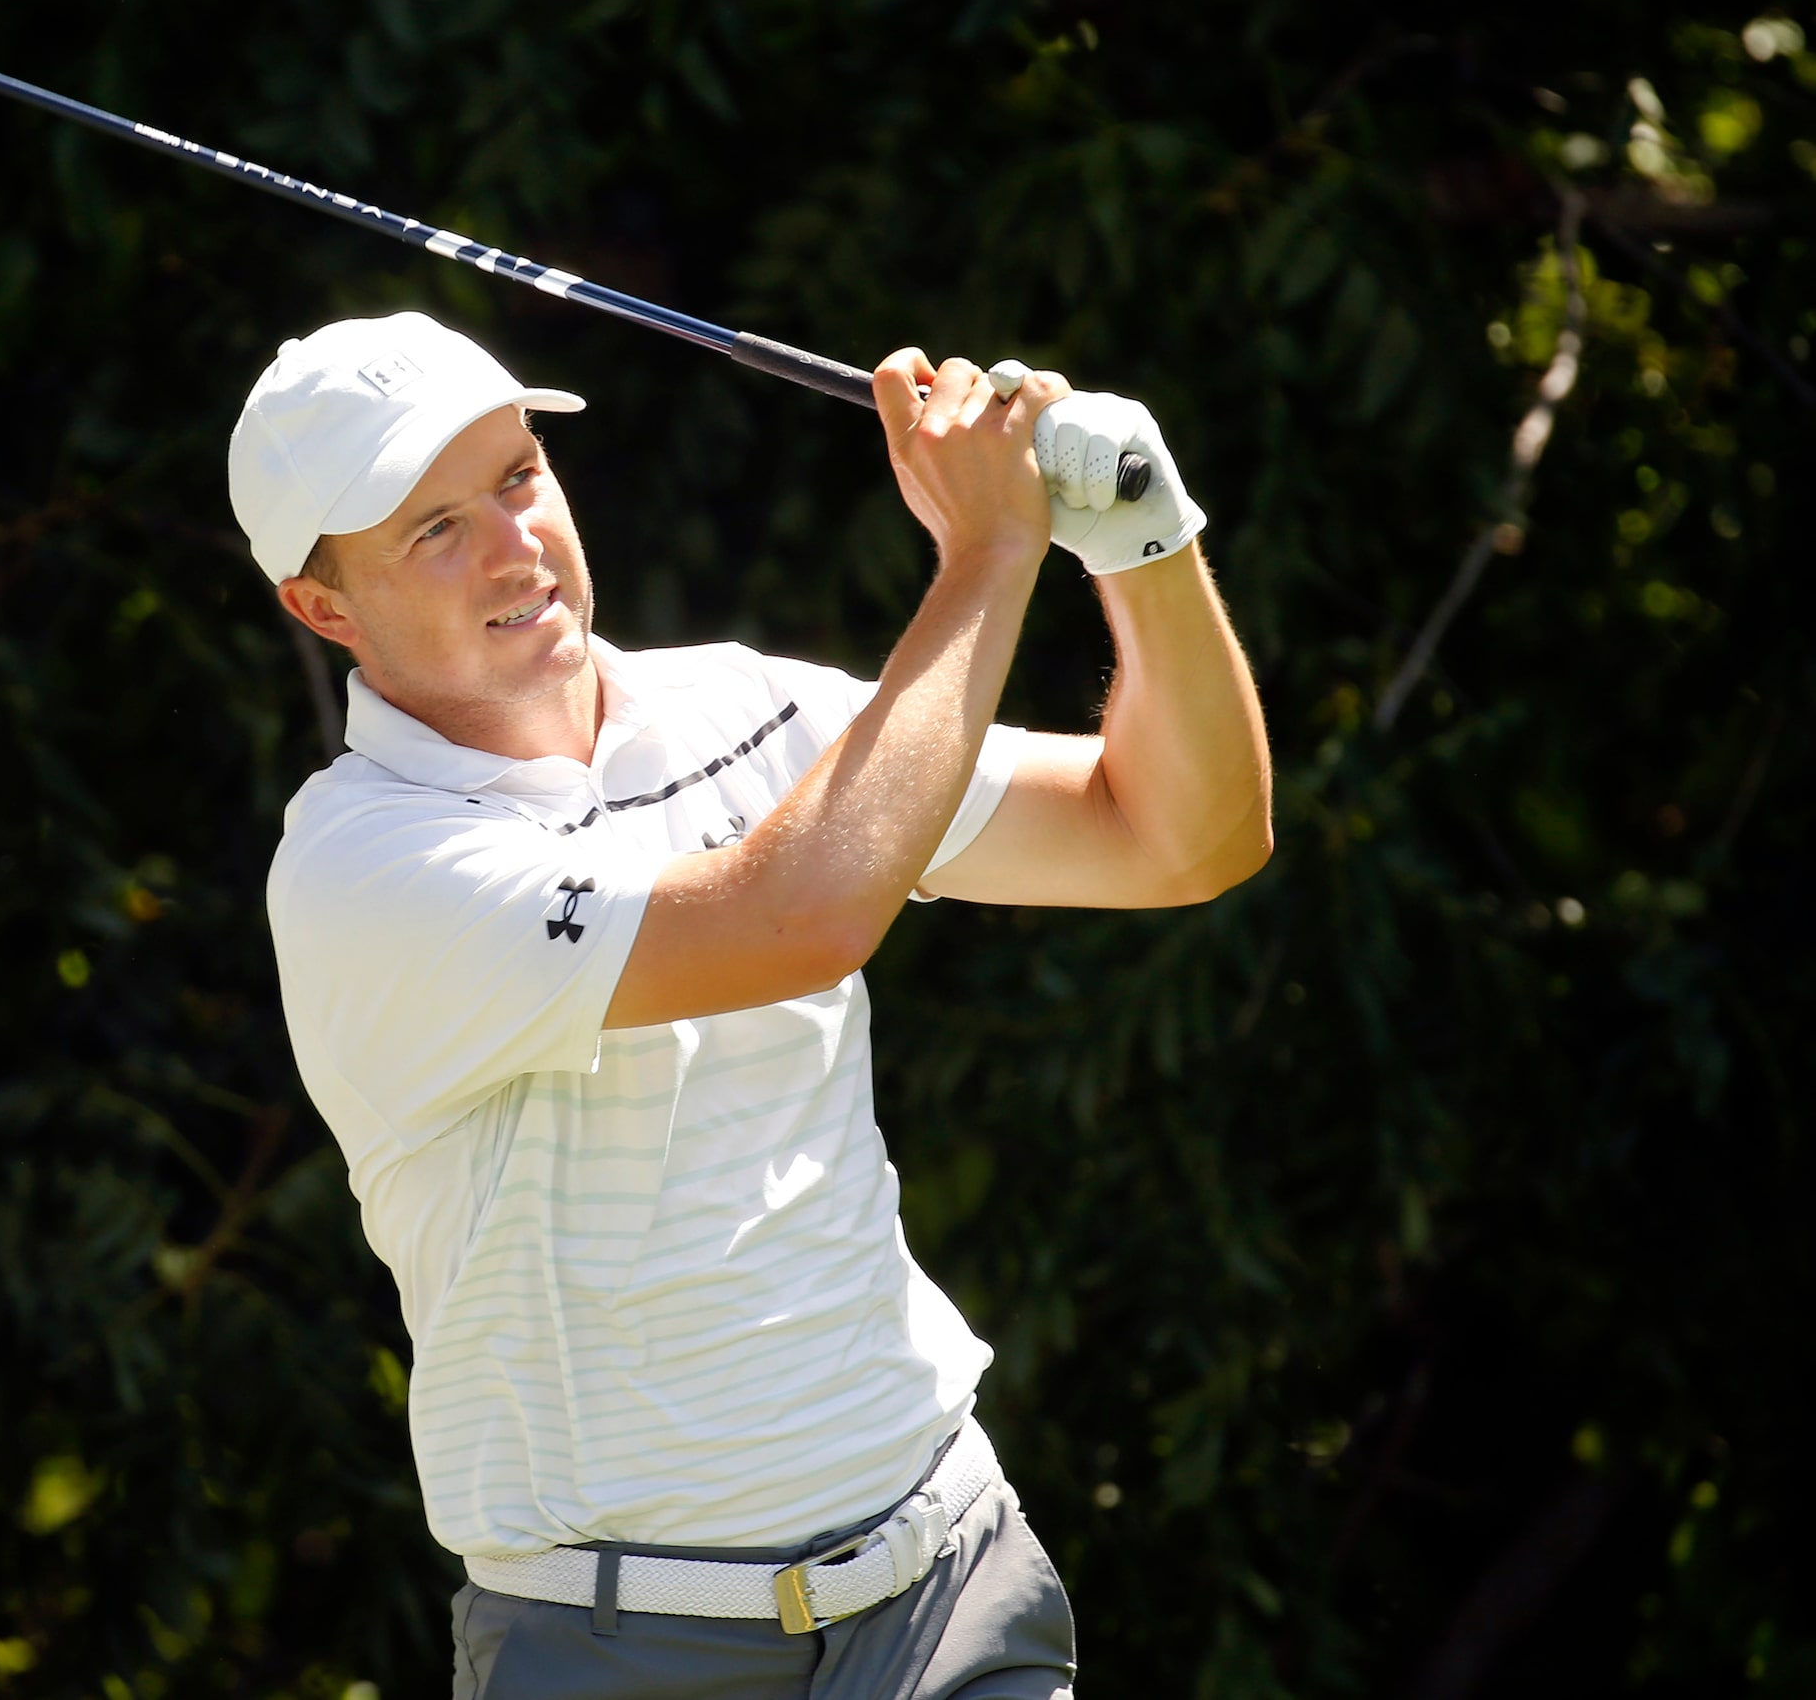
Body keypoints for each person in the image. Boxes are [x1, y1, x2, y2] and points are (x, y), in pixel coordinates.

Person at [230, 311, 1270, 1697]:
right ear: (322, 608)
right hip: (623, 1648)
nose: (512, 542)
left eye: (518, 476)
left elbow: (1179, 837)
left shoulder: (742, 708)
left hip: (946, 1590)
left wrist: (1140, 538)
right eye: (431, 528)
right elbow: (798, 918)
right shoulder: (362, 866)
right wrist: (990, 548)